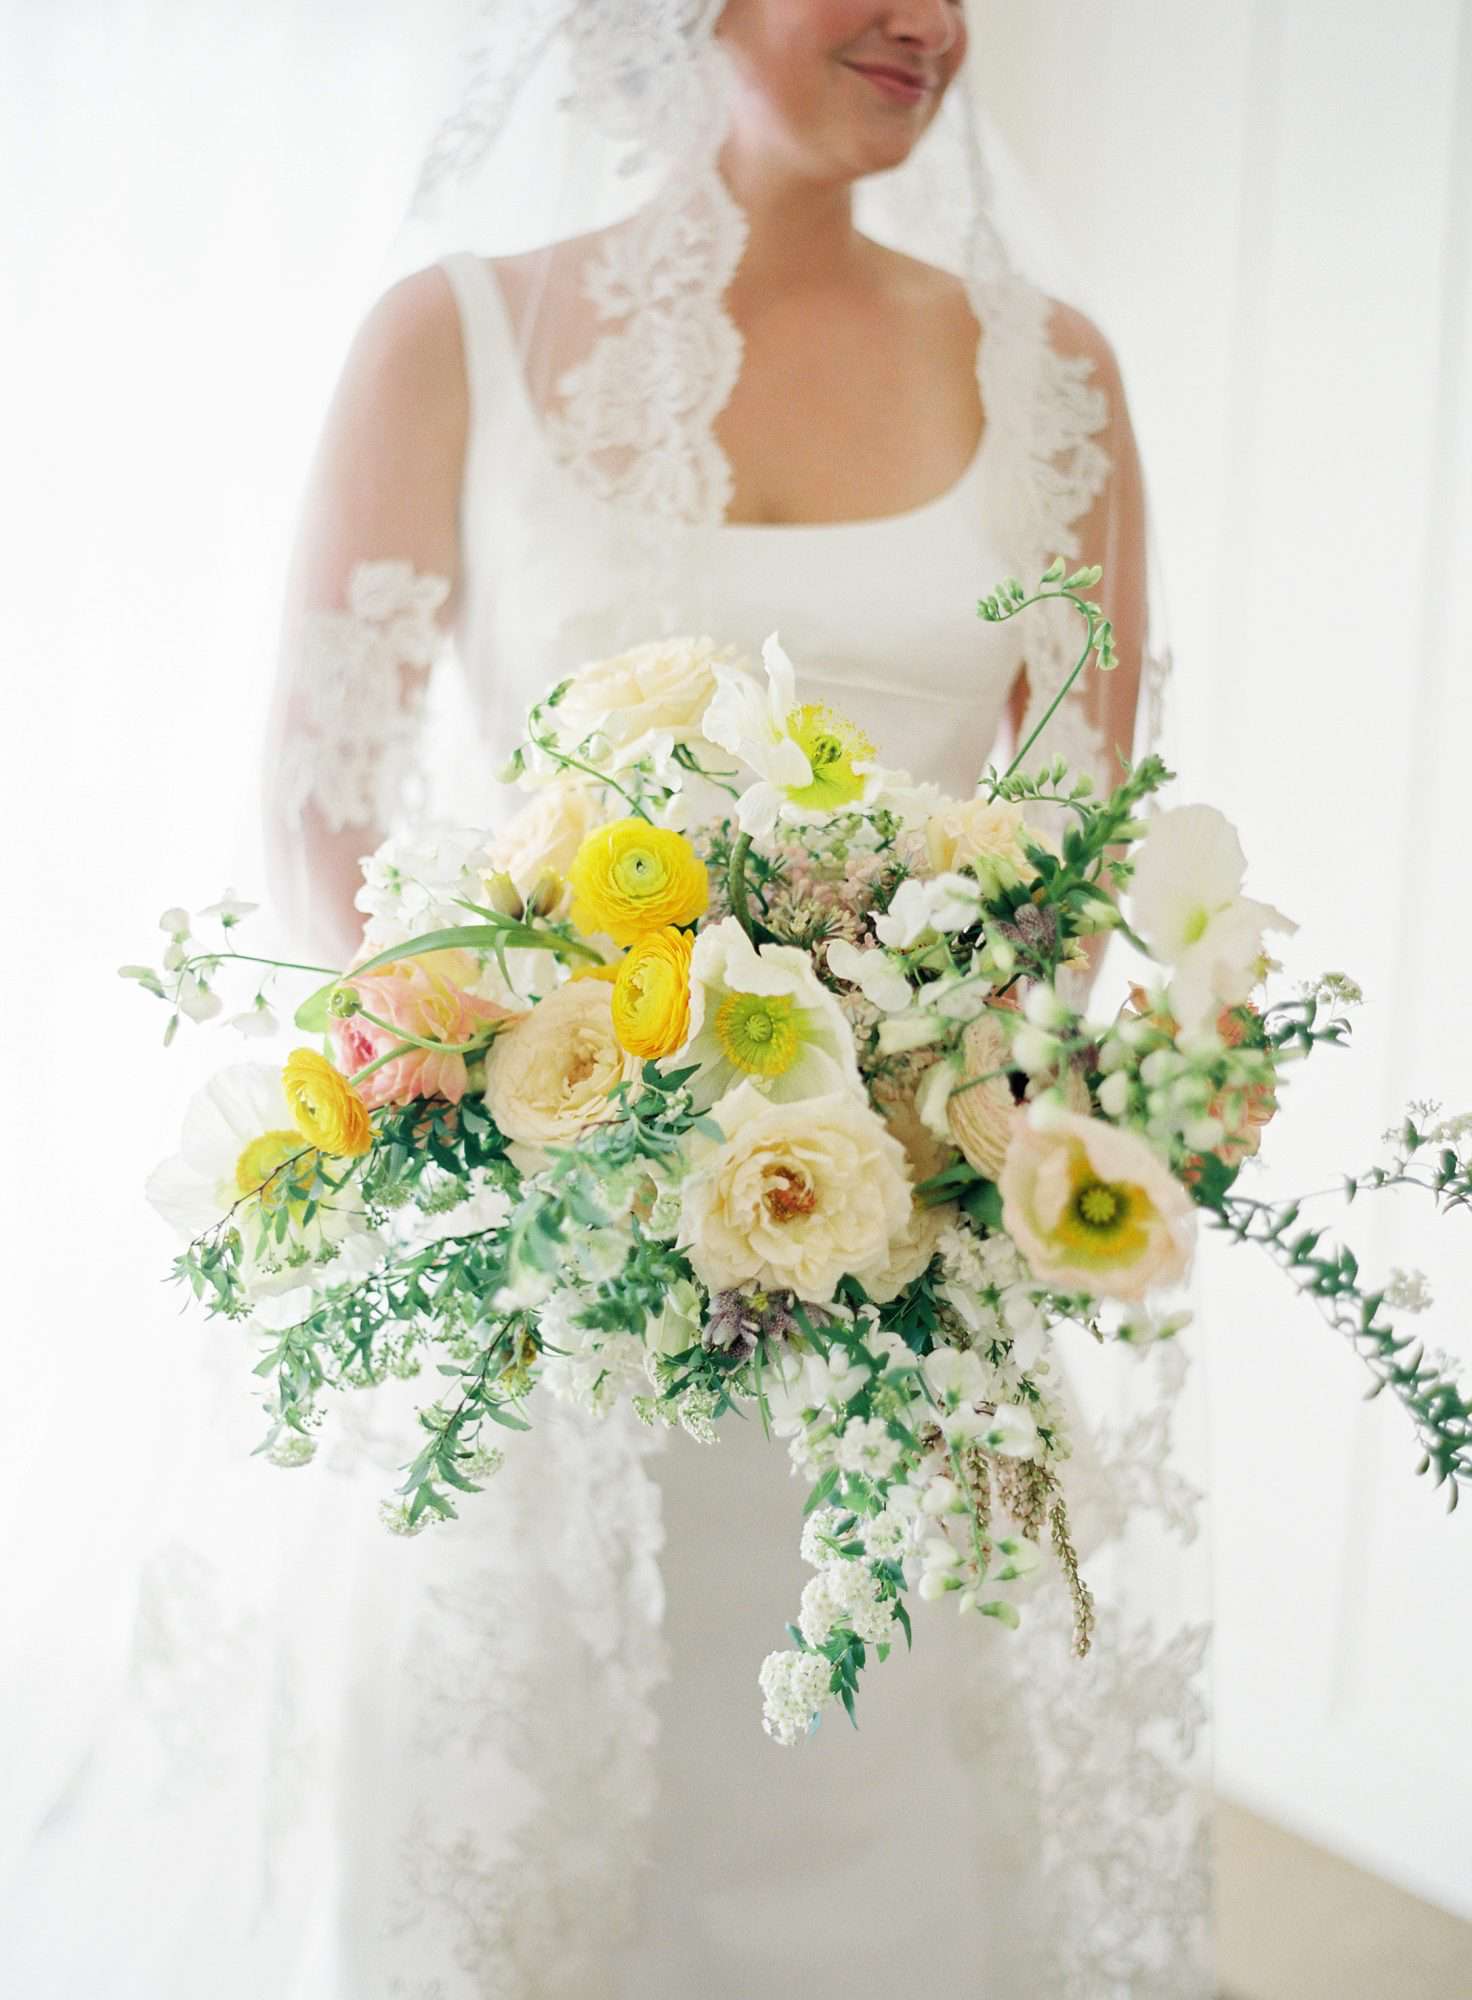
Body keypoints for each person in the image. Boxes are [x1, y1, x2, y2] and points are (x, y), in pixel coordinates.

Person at [245, 4, 1210, 1993]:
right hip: (550, 1279)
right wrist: (486, 1094)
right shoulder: (453, 340)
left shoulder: (1053, 376)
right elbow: (329, 799)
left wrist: (935, 1113)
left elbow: (1080, 839)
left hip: (902, 1290)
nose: (930, 23)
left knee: (874, 1833)